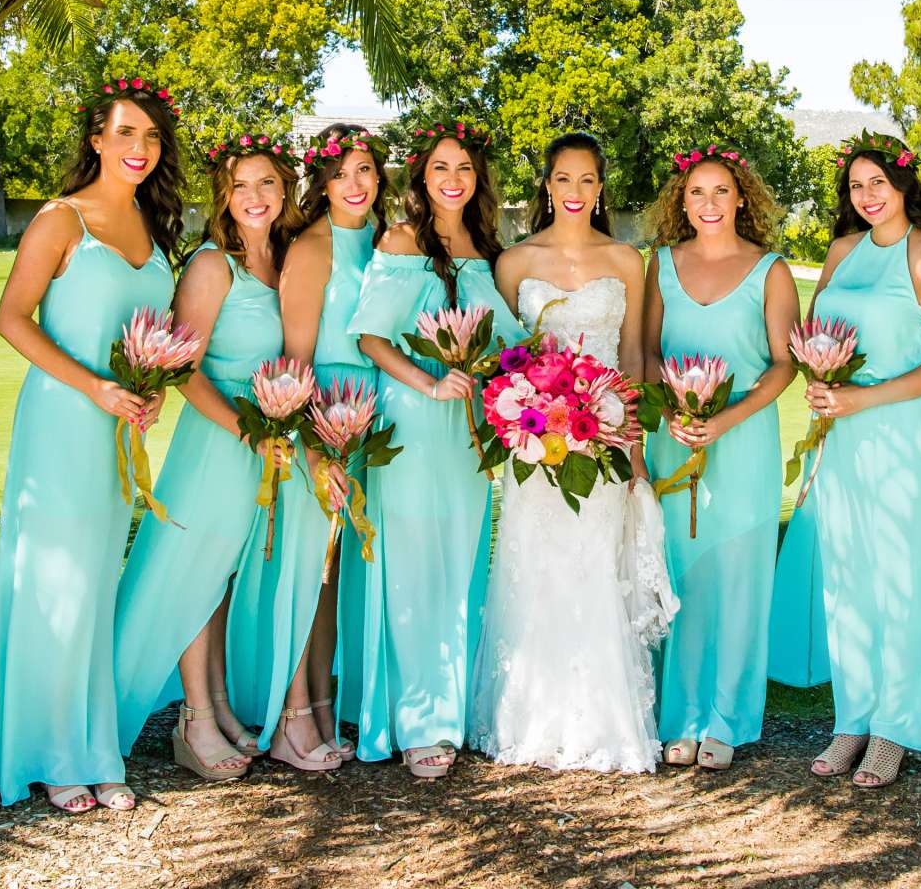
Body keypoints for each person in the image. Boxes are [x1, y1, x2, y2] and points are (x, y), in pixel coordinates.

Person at [0, 79, 183, 814]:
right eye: (126, 133)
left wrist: (151, 389)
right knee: (56, 579)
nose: (139, 149)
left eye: (151, 138)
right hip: (63, 422)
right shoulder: (61, 220)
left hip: (119, 432)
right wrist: (93, 388)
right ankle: (50, 754)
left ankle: (92, 748)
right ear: (96, 140)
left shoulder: (155, 235)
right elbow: (12, 318)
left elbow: (152, 340)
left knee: (94, 582)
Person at [473, 133, 677, 773]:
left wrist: (635, 437)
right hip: (534, 441)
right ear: (548, 184)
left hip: (608, 436)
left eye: (588, 180)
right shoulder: (512, 262)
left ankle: (601, 719)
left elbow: (637, 355)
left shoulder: (624, 259)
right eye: (564, 179)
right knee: (534, 566)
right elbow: (503, 363)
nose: (576, 192)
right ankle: (530, 714)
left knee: (595, 566)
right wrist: (521, 412)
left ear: (600, 188)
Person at [113, 131, 305, 781]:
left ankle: (219, 704)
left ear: (285, 190)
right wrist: (246, 432)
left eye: (267, 184)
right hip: (219, 442)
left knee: (223, 576)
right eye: (241, 185)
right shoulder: (210, 264)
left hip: (265, 443)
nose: (255, 197)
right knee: (196, 572)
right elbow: (182, 370)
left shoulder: (285, 260)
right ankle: (192, 722)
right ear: (224, 195)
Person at [783, 131, 921, 789]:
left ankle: (894, 727)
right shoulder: (841, 251)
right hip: (837, 435)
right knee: (847, 579)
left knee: (898, 577)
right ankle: (852, 719)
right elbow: (810, 337)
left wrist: (864, 397)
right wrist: (820, 381)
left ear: (904, 185)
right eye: (856, 186)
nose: (866, 196)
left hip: (896, 433)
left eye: (878, 184)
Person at [347, 118, 523, 778]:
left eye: (466, 169)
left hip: (473, 432)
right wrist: (429, 380)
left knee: (463, 562)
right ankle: (417, 720)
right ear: (421, 175)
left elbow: (508, 342)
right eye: (441, 167)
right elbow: (371, 336)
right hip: (416, 422)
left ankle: (455, 713)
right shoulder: (400, 240)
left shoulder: (485, 249)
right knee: (415, 566)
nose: (453, 180)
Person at [225, 124, 388, 771]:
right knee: (307, 571)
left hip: (377, 422)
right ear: (320, 182)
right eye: (340, 172)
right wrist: (316, 451)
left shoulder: (388, 243)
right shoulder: (313, 250)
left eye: (366, 169)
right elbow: (295, 362)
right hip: (320, 422)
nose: (354, 184)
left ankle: (324, 704)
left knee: (341, 575)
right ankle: (292, 716)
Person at [642, 146, 797, 770]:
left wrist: (726, 418)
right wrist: (673, 413)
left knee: (739, 577)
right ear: (682, 202)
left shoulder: (772, 271)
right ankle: (678, 716)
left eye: (721, 191)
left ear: (742, 199)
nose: (709, 203)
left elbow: (785, 362)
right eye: (697, 192)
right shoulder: (657, 266)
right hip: (671, 438)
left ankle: (728, 719)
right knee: (680, 576)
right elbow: (647, 352)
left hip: (745, 442)